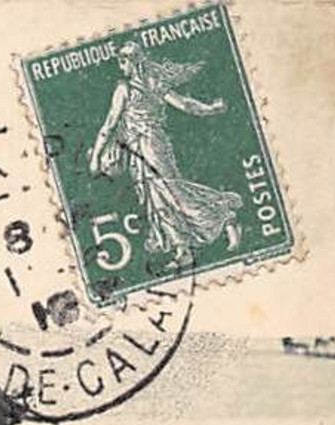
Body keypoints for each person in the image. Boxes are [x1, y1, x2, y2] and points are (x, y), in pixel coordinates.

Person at [90, 42, 241, 266]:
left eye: (123, 62)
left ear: (133, 62)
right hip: (147, 145)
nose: (121, 67)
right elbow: (186, 105)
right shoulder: (154, 83)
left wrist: (95, 158)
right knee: (159, 194)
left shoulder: (125, 88)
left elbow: (109, 124)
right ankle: (182, 249)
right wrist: (210, 109)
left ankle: (223, 216)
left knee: (170, 191)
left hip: (148, 146)